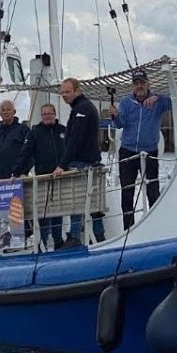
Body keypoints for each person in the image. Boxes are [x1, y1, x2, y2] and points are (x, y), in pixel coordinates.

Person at [107, 70, 172, 230]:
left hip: (150, 151)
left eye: (142, 82)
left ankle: (155, 227)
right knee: (127, 192)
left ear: (147, 83)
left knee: (153, 191)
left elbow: (174, 102)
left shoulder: (157, 102)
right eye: (136, 83)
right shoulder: (126, 102)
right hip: (128, 151)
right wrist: (115, 116)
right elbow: (121, 124)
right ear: (133, 86)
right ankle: (128, 230)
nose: (139, 86)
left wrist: (158, 97)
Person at [54, 78, 105, 246]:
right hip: (88, 161)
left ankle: (75, 238)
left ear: (77, 91)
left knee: (76, 203)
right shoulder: (80, 107)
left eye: (67, 91)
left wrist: (62, 164)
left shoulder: (81, 109)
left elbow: (76, 139)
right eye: (62, 92)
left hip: (82, 162)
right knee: (94, 205)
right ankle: (99, 236)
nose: (64, 95)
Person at [14, 103, 67, 250]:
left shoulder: (63, 131)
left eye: (49, 113)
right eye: (44, 114)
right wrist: (17, 172)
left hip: (62, 176)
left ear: (55, 114)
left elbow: (71, 150)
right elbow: (26, 153)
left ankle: (58, 241)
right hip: (43, 178)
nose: (47, 116)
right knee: (44, 213)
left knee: (59, 210)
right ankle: (42, 242)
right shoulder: (35, 132)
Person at [0, 99, 30, 179]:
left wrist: (24, 171)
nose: (6, 112)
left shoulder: (23, 130)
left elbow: (30, 152)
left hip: (18, 177)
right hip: (0, 179)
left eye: (8, 109)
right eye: (3, 110)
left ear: (14, 112)